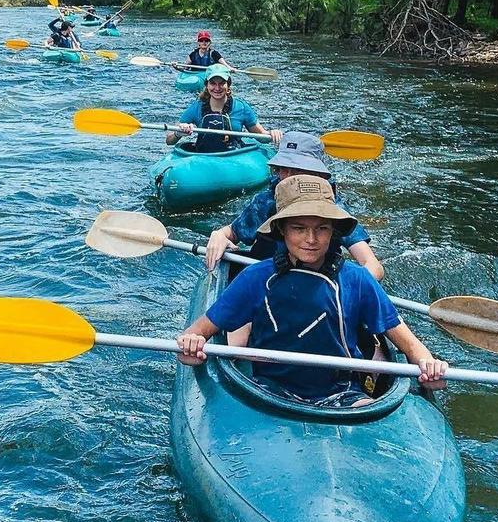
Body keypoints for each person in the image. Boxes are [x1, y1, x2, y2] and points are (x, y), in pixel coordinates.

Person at [176, 174, 447, 406]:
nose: (311, 239)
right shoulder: (256, 278)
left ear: (333, 232)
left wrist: (429, 366)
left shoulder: (358, 280)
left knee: (364, 405)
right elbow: (197, 332)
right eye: (299, 228)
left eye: (322, 229)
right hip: (269, 392)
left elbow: (411, 346)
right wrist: (190, 347)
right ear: (281, 230)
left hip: (344, 395)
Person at [204, 130, 384, 279]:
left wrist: (344, 292)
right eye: (283, 169)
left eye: (298, 170)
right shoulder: (266, 202)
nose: (289, 177)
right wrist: (219, 235)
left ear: (318, 175)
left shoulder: (335, 211)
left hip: (319, 288)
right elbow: (232, 232)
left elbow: (373, 267)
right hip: (270, 283)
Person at [166, 67, 268, 154]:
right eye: (213, 83)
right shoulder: (196, 107)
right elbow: (169, 140)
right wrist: (178, 133)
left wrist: (272, 134)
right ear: (207, 86)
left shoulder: (241, 107)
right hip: (204, 157)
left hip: (234, 156)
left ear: (228, 86)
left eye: (222, 83)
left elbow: (261, 136)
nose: (217, 88)